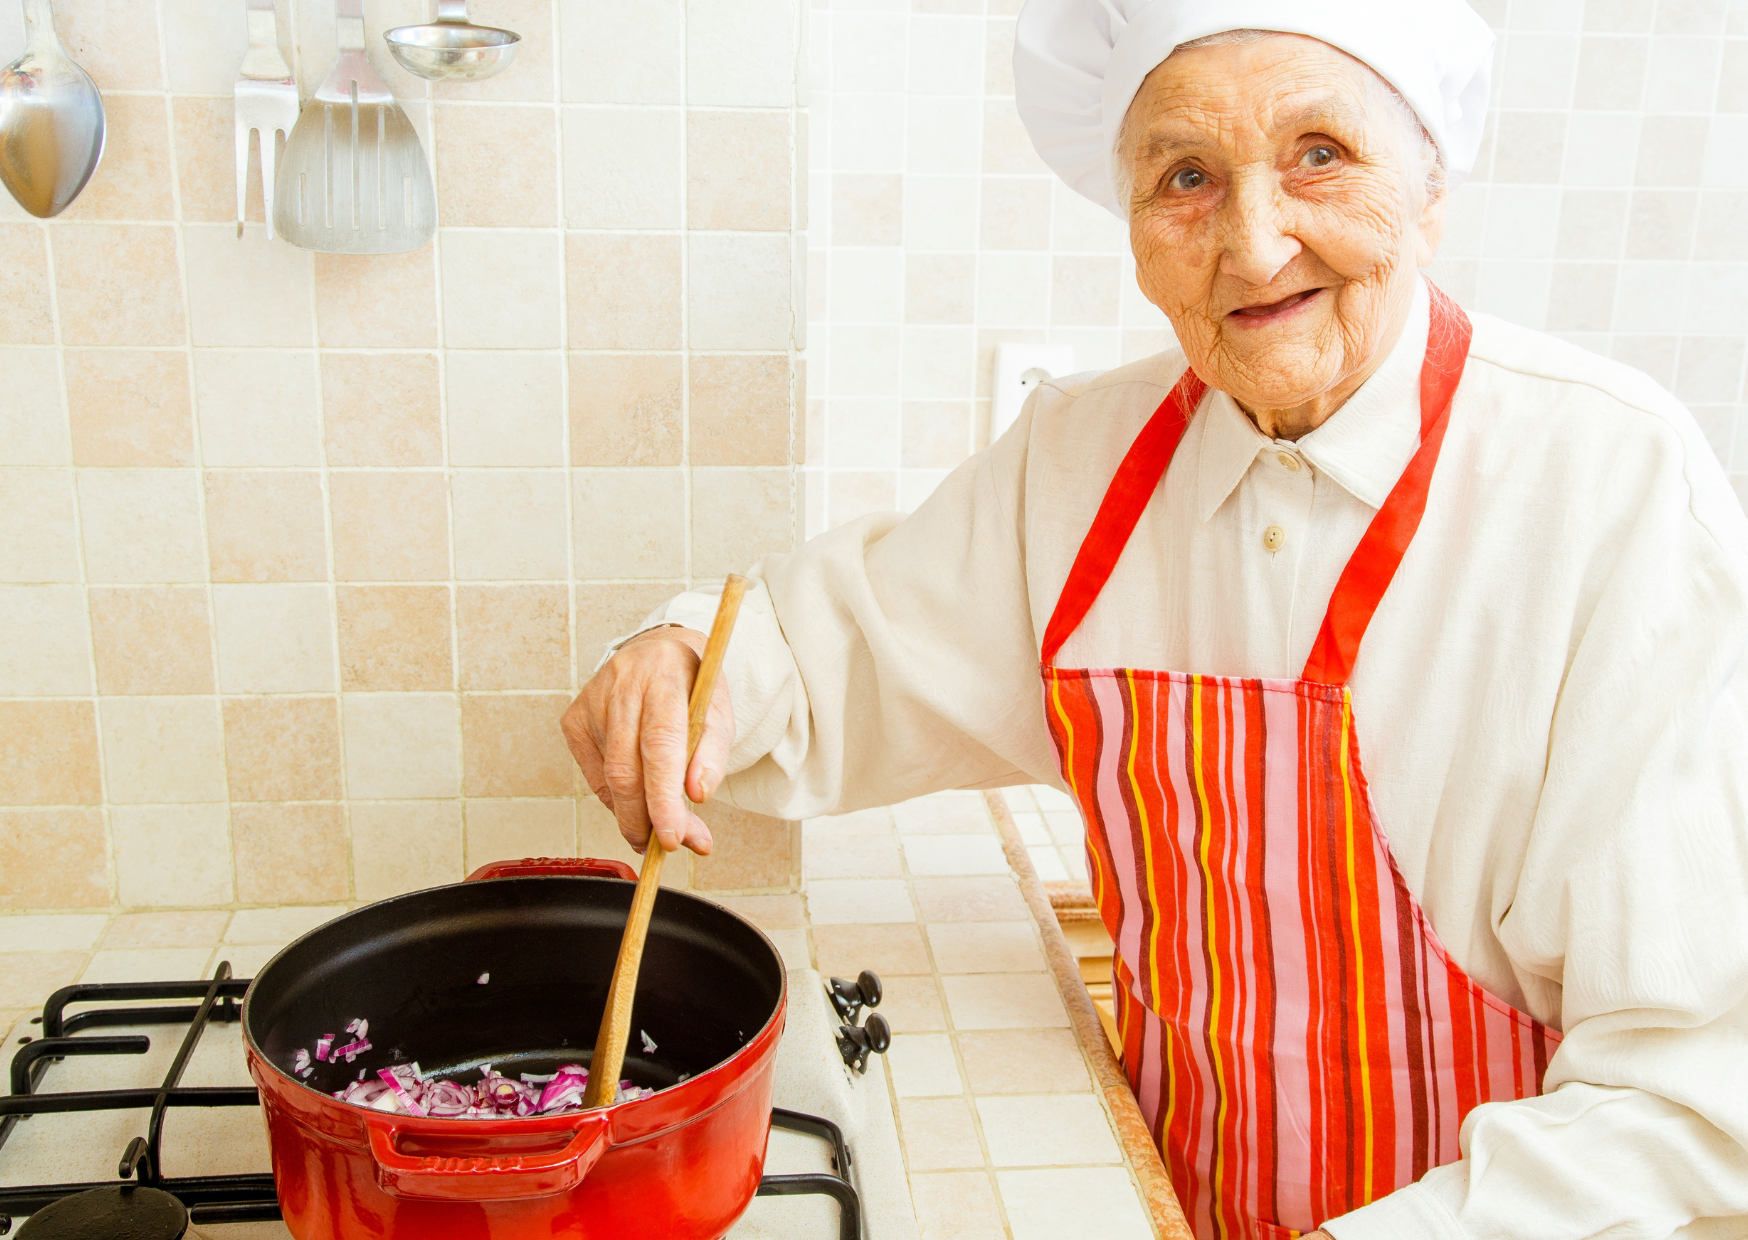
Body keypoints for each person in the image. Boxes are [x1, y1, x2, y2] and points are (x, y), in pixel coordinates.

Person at [562, 1, 1748, 1235]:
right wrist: (685, 658)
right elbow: (836, 656)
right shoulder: (1079, 461)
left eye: (1318, 156)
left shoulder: (1610, 486)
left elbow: (1689, 1105)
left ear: (1429, 186)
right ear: (1130, 229)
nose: (1251, 243)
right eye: (1186, 176)